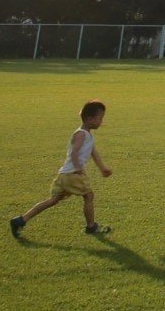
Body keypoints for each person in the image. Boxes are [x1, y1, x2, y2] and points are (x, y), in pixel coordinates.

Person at [10, 100, 113, 239]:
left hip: (64, 174)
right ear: (89, 118)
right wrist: (77, 168)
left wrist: (102, 168)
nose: (101, 121)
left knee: (53, 200)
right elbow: (74, 152)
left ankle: (21, 220)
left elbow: (93, 152)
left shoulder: (88, 135)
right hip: (73, 174)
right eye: (100, 118)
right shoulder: (81, 134)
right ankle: (91, 226)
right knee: (89, 196)